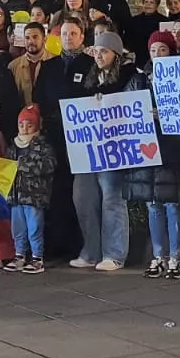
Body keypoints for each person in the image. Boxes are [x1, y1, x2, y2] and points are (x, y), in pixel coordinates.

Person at [69, 32, 135, 272]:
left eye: (104, 51)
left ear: (116, 54)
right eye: (96, 51)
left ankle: (114, 253)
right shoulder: (89, 77)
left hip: (114, 148)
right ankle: (91, 251)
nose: (98, 55)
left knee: (112, 200)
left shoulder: (128, 76)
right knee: (83, 198)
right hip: (88, 149)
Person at [129, 32, 180, 280]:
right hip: (147, 150)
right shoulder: (139, 80)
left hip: (171, 149)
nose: (158, 55)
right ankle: (158, 256)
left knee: (172, 204)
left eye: (163, 49)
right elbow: (126, 107)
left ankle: (175, 256)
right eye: (154, 50)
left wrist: (164, 115)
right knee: (152, 204)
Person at [33, 16, 94, 261]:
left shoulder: (91, 64)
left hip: (82, 137)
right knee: (56, 190)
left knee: (80, 193)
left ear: (82, 36)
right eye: (65, 34)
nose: (69, 38)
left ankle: (80, 244)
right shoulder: (49, 66)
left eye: (73, 34)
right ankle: (56, 244)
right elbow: (39, 98)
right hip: (55, 136)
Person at [6, 105, 54, 274]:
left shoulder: (42, 146)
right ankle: (19, 255)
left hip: (34, 196)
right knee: (18, 228)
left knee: (34, 227)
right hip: (16, 196)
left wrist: (23, 166)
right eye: (21, 125)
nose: (25, 128)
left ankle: (37, 258)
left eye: (29, 125)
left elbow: (48, 166)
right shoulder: (13, 146)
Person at [9, 22, 49, 107]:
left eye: (35, 37)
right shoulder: (13, 66)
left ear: (44, 39)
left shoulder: (56, 62)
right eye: (27, 38)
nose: (31, 41)